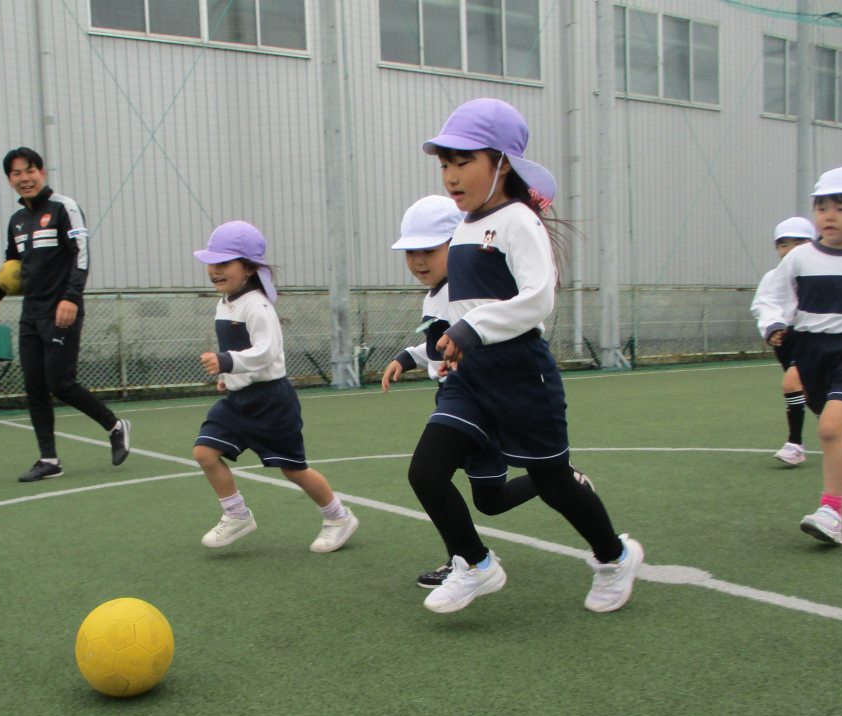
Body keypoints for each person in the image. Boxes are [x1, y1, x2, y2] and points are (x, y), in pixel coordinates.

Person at [408, 97, 644, 615]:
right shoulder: (463, 227)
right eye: (445, 164)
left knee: (554, 485)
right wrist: (442, 344)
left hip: (520, 375)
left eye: (463, 161)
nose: (451, 175)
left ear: (502, 163)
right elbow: (458, 307)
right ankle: (476, 564)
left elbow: (539, 299)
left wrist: (472, 329)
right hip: (469, 380)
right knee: (426, 472)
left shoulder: (518, 221)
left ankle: (615, 556)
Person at [382, 194, 595, 589]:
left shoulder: (466, 288)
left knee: (429, 474)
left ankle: (468, 560)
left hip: (478, 399)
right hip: (460, 399)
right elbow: (439, 343)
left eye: (429, 250)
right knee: (490, 502)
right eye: (411, 252)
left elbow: (486, 328)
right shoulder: (437, 293)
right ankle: (557, 482)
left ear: (459, 246)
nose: (418, 261)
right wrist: (408, 358)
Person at [191, 220, 359, 553]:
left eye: (224, 262)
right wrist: (228, 376)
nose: (215, 270)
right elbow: (239, 352)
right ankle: (237, 515)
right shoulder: (225, 303)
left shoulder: (258, 305)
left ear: (249, 268)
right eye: (211, 262)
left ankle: (339, 517)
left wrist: (227, 362)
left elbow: (266, 352)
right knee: (204, 453)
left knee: (294, 470)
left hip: (271, 401)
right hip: (238, 401)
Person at [751, 166, 842, 545]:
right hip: (811, 354)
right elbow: (773, 296)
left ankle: (831, 512)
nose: (829, 216)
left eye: (841, 208)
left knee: (830, 428)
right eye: (822, 207)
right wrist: (774, 324)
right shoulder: (801, 258)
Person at [0, 147, 130, 482]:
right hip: (31, 313)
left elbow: (81, 253)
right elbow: (13, 264)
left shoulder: (65, 207)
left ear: (42, 173)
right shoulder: (17, 221)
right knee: (34, 386)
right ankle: (49, 459)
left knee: (60, 382)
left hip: (62, 308)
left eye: (30, 170)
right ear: (9, 179)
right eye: (17, 173)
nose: (24, 178)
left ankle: (114, 425)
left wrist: (71, 297)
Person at [750, 216, 817, 465]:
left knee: (791, 383)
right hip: (785, 341)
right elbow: (762, 305)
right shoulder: (772, 277)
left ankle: (794, 444)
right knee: (809, 395)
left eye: (799, 243)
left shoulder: (821, 276)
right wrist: (772, 328)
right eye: (783, 244)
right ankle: (840, 433)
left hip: (813, 339)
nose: (790, 250)